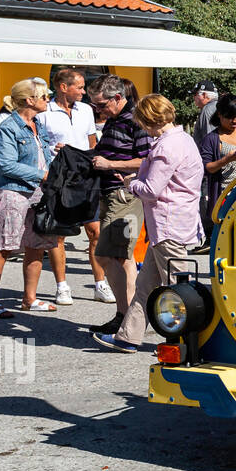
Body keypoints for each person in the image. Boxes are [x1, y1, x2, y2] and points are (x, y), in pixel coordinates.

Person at [93, 94, 204, 353]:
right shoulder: (183, 139)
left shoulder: (167, 147)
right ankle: (127, 337)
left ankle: (186, 342)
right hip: (171, 223)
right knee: (146, 286)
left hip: (169, 225)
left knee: (177, 288)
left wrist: (130, 183)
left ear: (148, 119)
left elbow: (152, 189)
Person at [0, 79, 63, 318]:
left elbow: (40, 155)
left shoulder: (37, 123)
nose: (48, 100)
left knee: (37, 246)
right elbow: (7, 165)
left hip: (39, 192)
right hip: (14, 192)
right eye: (44, 96)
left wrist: (56, 154)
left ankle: (29, 299)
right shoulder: (8, 127)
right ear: (29, 100)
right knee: (1, 246)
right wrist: (44, 174)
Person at [35, 68, 113, 305]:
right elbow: (40, 144)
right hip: (59, 178)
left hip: (85, 177)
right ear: (63, 87)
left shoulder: (87, 110)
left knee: (96, 232)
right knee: (59, 234)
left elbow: (91, 141)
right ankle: (62, 286)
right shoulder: (45, 112)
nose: (83, 91)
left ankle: (100, 283)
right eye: (79, 87)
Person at [86, 75, 152, 337]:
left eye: (101, 105)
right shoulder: (115, 118)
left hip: (125, 196)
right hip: (111, 194)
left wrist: (110, 165)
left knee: (109, 255)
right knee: (118, 257)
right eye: (94, 106)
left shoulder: (136, 120)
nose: (98, 111)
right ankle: (128, 316)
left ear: (117, 98)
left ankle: (129, 316)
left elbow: (148, 160)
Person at [200, 93, 236, 226]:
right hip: (226, 196)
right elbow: (207, 168)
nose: (235, 121)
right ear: (219, 115)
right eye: (230, 117)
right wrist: (227, 159)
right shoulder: (211, 139)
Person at [191, 80, 219, 152]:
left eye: (195, 94)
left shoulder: (207, 109)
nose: (194, 98)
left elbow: (209, 140)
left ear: (204, 95)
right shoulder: (219, 106)